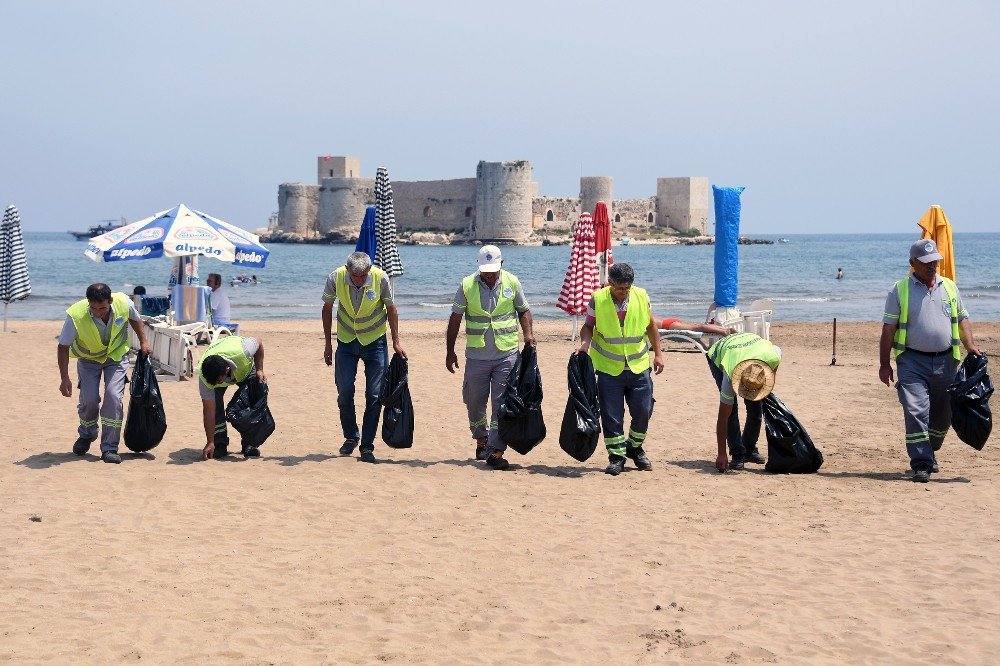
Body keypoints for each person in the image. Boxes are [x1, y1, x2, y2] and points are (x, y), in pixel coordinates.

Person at [880, 239, 981, 482]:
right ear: (912, 263)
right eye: (925, 262)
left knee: (942, 417)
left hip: (947, 362)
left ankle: (931, 450)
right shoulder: (899, 290)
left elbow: (962, 319)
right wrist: (885, 363)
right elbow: (888, 330)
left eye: (934, 261)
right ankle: (921, 463)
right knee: (916, 411)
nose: (931, 265)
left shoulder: (949, 287)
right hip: (912, 362)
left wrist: (970, 346)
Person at [446, 245, 535, 470]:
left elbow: (523, 310)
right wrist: (450, 350)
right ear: (478, 266)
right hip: (477, 355)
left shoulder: (512, 282)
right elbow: (455, 318)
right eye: (486, 271)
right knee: (474, 402)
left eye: (493, 271)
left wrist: (528, 335)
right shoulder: (466, 285)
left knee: (501, 403)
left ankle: (496, 450)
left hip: (506, 355)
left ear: (501, 265)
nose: (489, 275)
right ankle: (481, 439)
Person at [575, 263, 664, 476]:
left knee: (643, 410)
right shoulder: (598, 298)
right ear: (610, 283)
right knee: (612, 416)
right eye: (619, 288)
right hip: (608, 368)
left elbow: (651, 326)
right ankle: (616, 456)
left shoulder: (642, 296)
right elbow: (588, 326)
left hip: (639, 366)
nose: (623, 291)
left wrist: (658, 354)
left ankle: (634, 447)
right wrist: (585, 345)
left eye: (627, 287)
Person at [322, 251, 406, 464]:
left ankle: (367, 445)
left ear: (369, 270)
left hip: (375, 342)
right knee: (345, 392)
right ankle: (351, 436)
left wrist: (396, 341)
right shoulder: (335, 277)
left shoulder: (381, 277)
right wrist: (328, 344)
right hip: (346, 340)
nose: (358, 280)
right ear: (347, 269)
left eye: (362, 276)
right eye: (354, 276)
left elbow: (391, 309)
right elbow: (327, 308)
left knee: (374, 395)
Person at [57, 283, 152, 464]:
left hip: (116, 357)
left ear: (110, 301)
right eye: (93, 308)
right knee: (90, 400)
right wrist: (64, 378)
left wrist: (144, 341)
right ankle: (87, 434)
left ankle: (109, 447)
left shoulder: (124, 303)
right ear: (88, 303)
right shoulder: (76, 316)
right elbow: (63, 346)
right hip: (88, 360)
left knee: (113, 397)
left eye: (102, 308)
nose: (98, 312)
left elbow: (135, 319)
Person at [706, 332, 781, 472]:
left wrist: (766, 386)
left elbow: (774, 369)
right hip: (720, 353)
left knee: (756, 407)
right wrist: (721, 454)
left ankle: (749, 449)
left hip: (747, 346)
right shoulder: (729, 375)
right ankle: (737, 454)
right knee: (731, 410)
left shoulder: (773, 356)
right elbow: (723, 417)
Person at [198, 335, 266, 459]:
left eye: (218, 381)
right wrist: (210, 441)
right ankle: (219, 443)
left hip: (244, 369)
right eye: (212, 382)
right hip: (219, 365)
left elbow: (259, 341)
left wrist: (260, 369)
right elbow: (208, 411)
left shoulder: (245, 350)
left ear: (227, 370)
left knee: (251, 401)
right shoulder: (206, 377)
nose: (215, 384)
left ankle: (249, 444)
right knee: (215, 405)